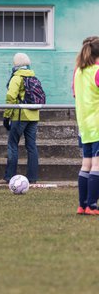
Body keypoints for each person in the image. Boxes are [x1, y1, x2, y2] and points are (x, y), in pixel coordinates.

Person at [0, 53, 39, 185]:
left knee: (13, 145)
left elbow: (11, 97)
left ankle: (9, 177)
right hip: (34, 115)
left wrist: (6, 115)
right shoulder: (33, 77)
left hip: (20, 115)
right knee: (31, 146)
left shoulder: (17, 77)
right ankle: (32, 177)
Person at [73, 36, 99, 215]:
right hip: (98, 124)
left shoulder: (79, 72)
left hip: (85, 126)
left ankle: (82, 205)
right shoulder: (97, 71)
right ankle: (92, 205)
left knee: (86, 164)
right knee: (97, 166)